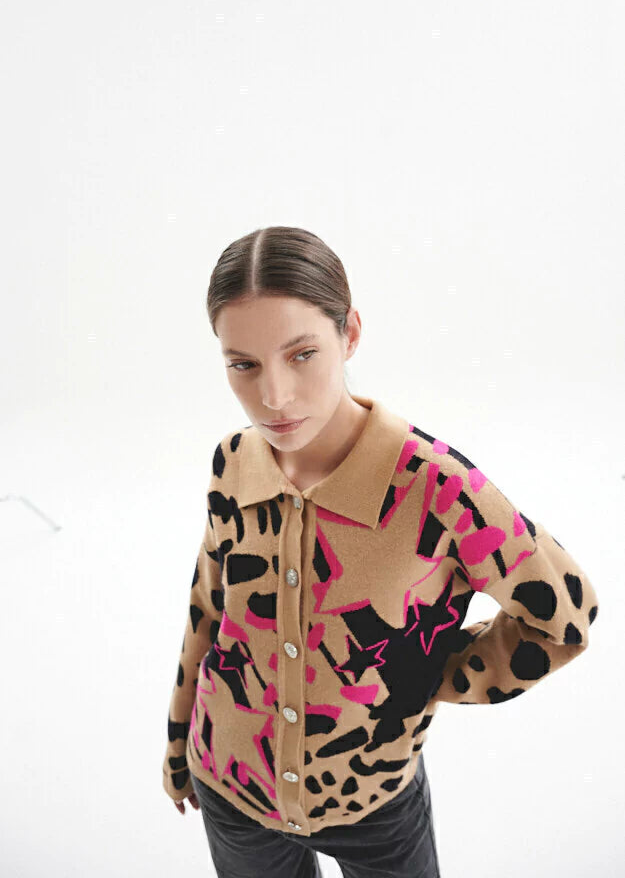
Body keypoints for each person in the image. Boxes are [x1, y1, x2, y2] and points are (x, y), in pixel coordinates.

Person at [162, 225, 598, 878]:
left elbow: (564, 616)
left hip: (373, 804)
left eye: (302, 354)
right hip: (229, 786)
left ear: (350, 334)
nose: (273, 396)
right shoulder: (233, 460)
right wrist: (178, 745)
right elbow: (207, 611)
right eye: (242, 364)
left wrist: (422, 674)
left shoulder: (437, 488)